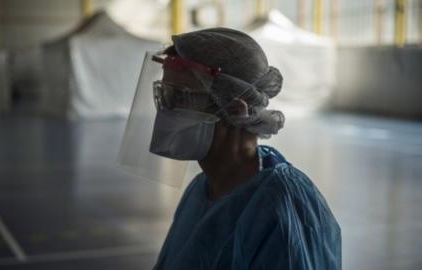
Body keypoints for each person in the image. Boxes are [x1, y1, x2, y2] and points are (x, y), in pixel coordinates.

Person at [134, 27, 341, 269]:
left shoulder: (282, 207)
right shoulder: (201, 190)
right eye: (163, 95)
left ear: (235, 109)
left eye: (180, 96)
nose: (166, 110)